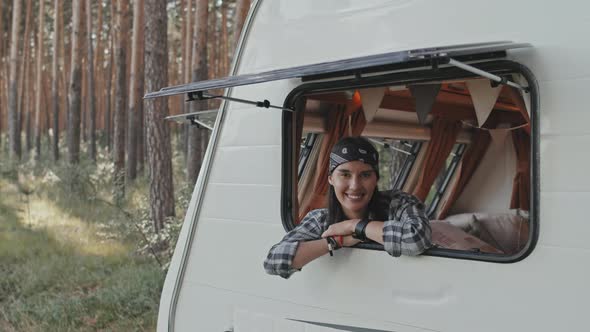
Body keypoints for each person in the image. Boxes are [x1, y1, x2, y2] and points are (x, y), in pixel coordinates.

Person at [264, 136, 432, 279]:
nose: (355, 186)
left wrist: (353, 226)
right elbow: (274, 261)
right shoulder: (321, 220)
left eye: (365, 175)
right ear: (330, 179)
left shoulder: (398, 203)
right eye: (345, 174)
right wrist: (337, 240)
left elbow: (417, 240)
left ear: (376, 179)